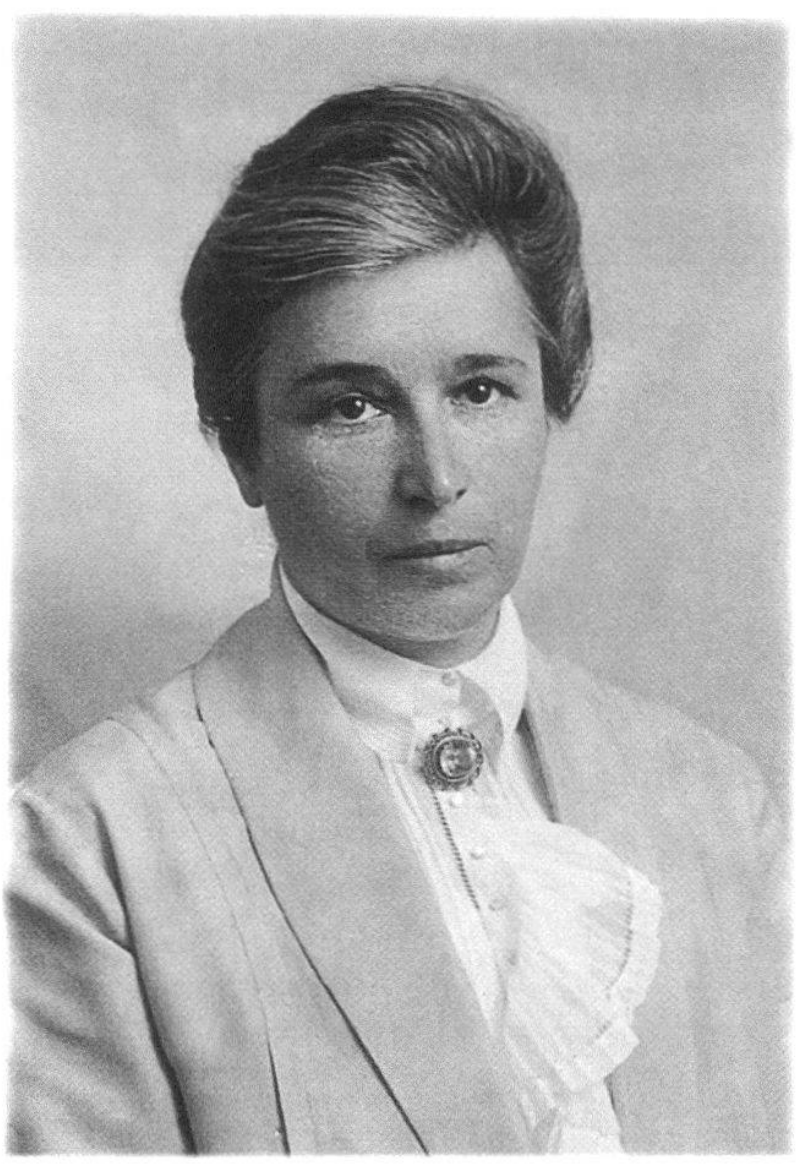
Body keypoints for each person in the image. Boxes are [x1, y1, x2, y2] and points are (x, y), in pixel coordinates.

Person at [7, 83, 786, 1154]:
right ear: (243, 449)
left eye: (480, 390)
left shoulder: (717, 804)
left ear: (551, 397)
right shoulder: (83, 842)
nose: (435, 477)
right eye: (351, 405)